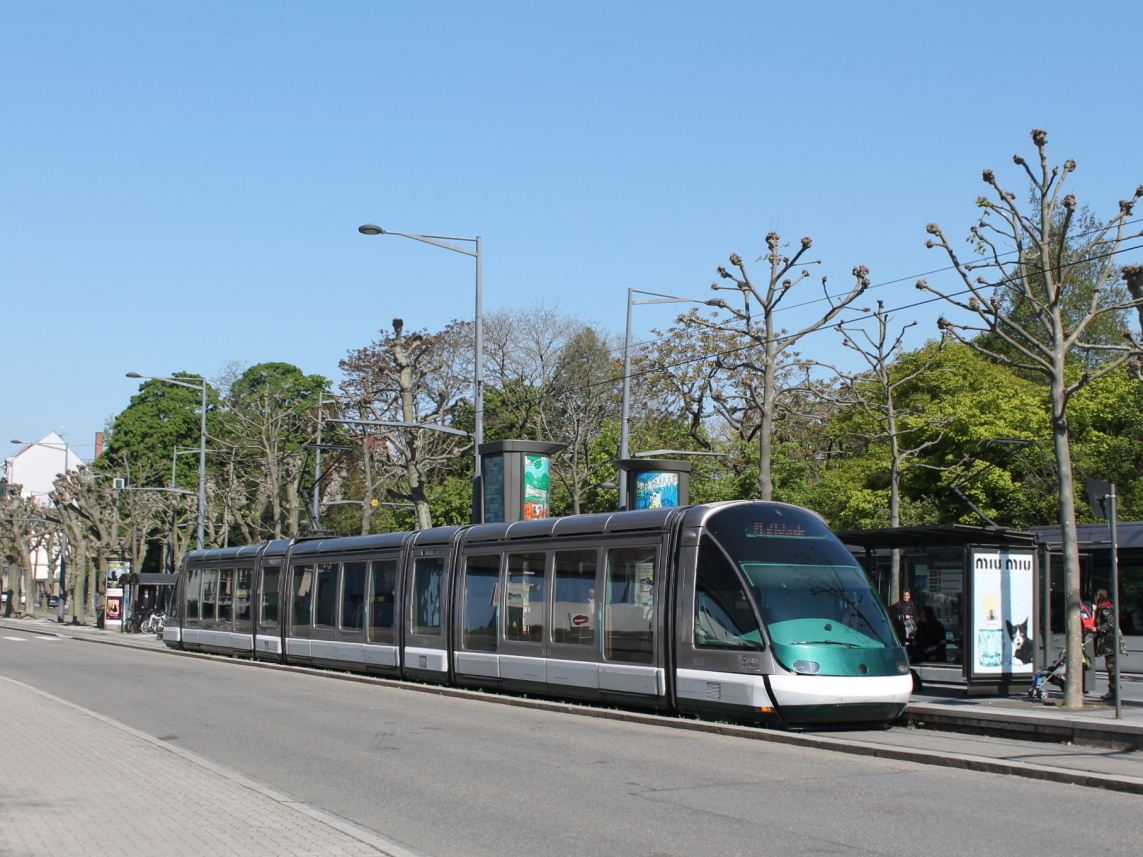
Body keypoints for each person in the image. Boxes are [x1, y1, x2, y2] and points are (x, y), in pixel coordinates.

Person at [1092, 589, 1123, 701]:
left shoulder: (1105, 608)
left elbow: (1110, 623)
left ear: (1099, 596)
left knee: (1111, 667)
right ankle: (1114, 690)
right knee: (1111, 667)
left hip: (1110, 642)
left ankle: (1114, 691)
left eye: (1096, 596)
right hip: (1111, 641)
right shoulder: (1109, 606)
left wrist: (1097, 628)